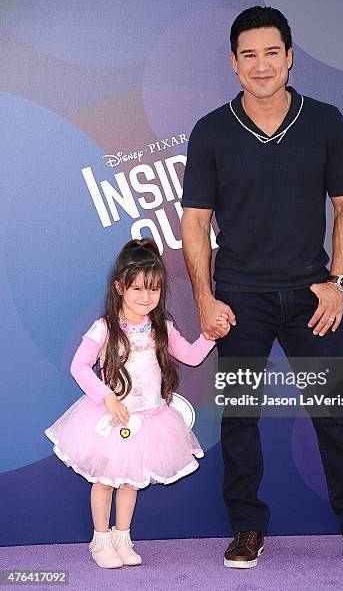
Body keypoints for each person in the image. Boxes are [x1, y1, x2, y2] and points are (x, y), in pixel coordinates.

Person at [181, 6, 343, 574]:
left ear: (290, 56)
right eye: (248, 54)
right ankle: (247, 528)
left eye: (271, 52)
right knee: (240, 418)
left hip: (311, 297)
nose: (261, 64)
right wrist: (205, 297)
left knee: (333, 415)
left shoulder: (325, 122)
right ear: (233, 63)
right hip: (239, 299)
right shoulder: (211, 130)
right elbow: (195, 221)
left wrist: (338, 284)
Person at [45, 238, 225, 569]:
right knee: (104, 481)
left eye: (153, 290)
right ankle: (100, 540)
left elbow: (189, 355)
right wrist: (107, 397)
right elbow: (79, 367)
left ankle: (122, 536)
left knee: (130, 481)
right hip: (113, 418)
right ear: (119, 287)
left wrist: (210, 337)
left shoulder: (162, 328)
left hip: (151, 419)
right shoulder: (105, 329)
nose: (146, 298)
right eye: (138, 289)